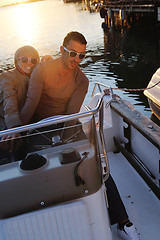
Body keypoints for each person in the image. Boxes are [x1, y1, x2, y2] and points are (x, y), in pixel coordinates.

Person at [18, 31, 140, 240]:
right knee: (29, 171)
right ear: (61, 50)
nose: (76, 59)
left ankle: (123, 222)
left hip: (69, 127)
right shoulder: (42, 70)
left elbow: (71, 115)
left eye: (81, 55)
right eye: (72, 53)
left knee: (97, 165)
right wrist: (15, 133)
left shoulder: (82, 80)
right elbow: (29, 108)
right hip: (40, 128)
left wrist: (65, 147)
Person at [0, 45, 52, 161]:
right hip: (8, 128)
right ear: (16, 61)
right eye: (24, 59)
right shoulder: (6, 77)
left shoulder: (36, 76)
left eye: (33, 61)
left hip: (31, 126)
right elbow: (9, 101)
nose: (29, 64)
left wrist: (49, 64)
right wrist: (14, 128)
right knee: (12, 152)